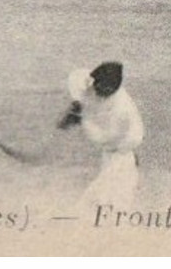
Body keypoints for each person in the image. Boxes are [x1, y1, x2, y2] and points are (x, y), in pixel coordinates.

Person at [58, 61, 144, 207]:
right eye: (98, 87)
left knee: (110, 198)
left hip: (120, 153)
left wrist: (82, 119)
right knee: (102, 197)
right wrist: (78, 104)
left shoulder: (123, 110)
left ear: (114, 90)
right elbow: (76, 78)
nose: (100, 93)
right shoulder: (89, 82)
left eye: (106, 91)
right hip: (110, 154)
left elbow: (104, 140)